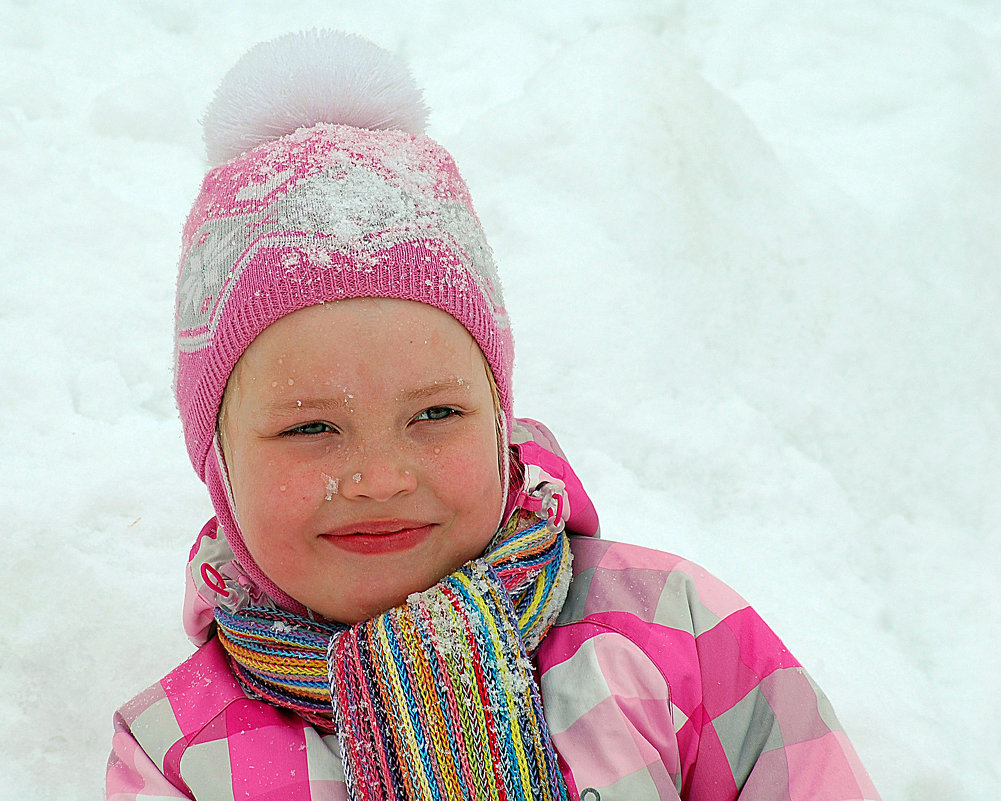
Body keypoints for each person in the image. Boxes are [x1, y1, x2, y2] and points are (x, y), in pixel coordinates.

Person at [106, 29, 881, 801]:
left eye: (436, 412)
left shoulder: (669, 634)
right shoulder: (178, 750)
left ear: (499, 419)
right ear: (219, 461)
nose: (380, 476)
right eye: (311, 427)